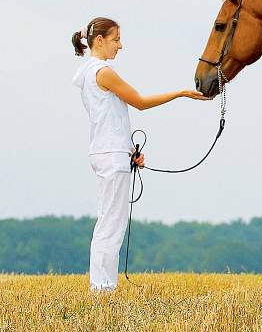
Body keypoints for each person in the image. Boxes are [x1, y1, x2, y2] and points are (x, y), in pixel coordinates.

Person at [70, 17, 208, 293]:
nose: (120, 46)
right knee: (111, 225)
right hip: (111, 155)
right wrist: (181, 93)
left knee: (108, 221)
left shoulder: (87, 72)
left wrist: (129, 152)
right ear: (100, 40)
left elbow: (110, 118)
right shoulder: (103, 72)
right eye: (116, 39)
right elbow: (141, 103)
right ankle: (102, 289)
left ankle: (103, 287)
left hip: (106, 151)